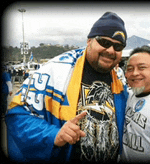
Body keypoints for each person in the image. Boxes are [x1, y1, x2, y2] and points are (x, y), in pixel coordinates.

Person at [5, 12, 128, 163]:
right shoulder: (55, 71)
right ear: (89, 41)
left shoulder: (119, 76)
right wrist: (54, 135)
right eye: (104, 42)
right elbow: (16, 114)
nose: (110, 50)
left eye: (118, 46)